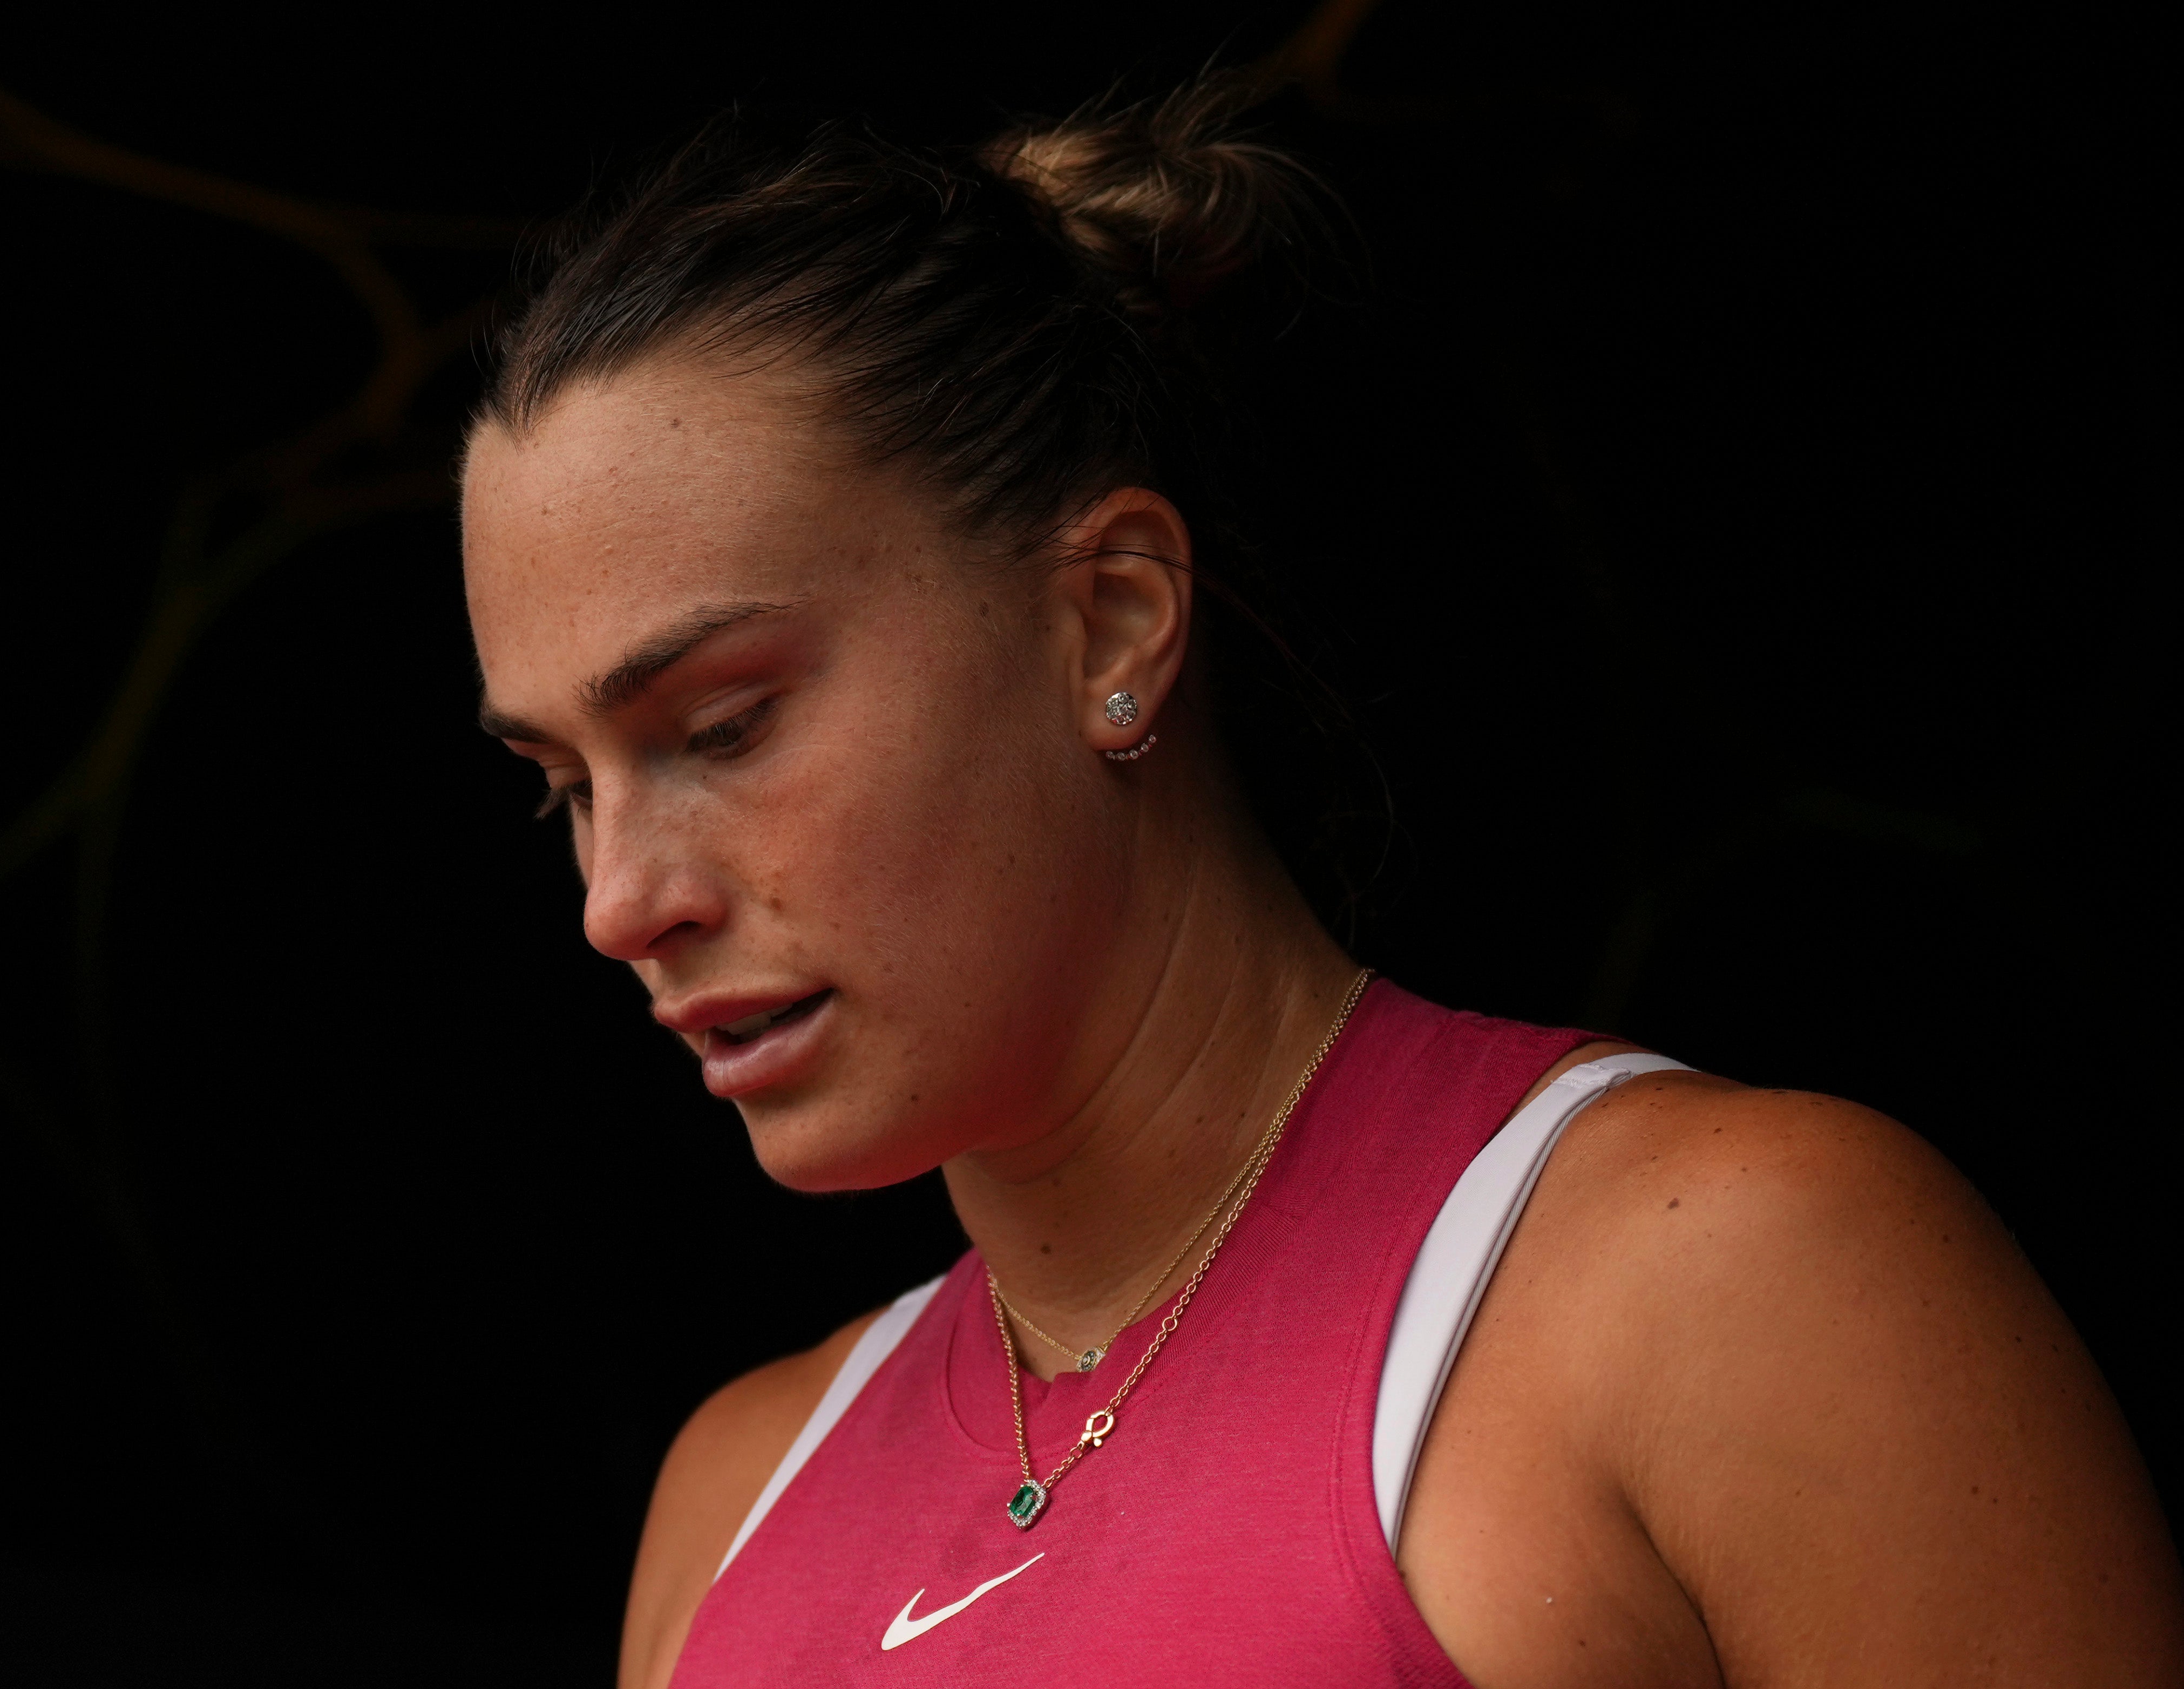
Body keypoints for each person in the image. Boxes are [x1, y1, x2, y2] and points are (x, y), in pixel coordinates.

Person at [457, 80, 2183, 1688]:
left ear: (1111, 621)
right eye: (562, 792)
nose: (623, 898)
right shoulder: (735, 1505)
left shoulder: (1722, 1285)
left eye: (727, 724)